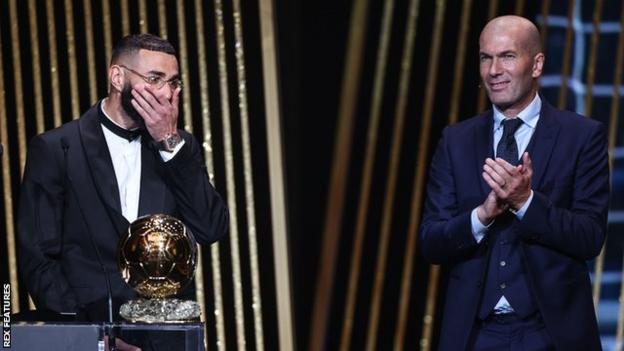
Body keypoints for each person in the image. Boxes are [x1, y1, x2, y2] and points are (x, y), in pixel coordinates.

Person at [420, 15, 609, 350]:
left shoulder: (582, 136)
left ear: (536, 65)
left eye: (507, 56)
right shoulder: (456, 140)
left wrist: (526, 202)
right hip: (474, 335)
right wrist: (482, 215)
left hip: (550, 333)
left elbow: (589, 237)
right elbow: (432, 240)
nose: (494, 70)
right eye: (485, 58)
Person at [17, 34, 229, 321]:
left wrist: (168, 142)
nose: (167, 94)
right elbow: (39, 259)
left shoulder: (180, 147)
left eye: (174, 82)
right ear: (117, 78)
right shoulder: (57, 149)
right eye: (155, 79)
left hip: (166, 334)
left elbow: (211, 228)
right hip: (90, 332)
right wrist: (92, 336)